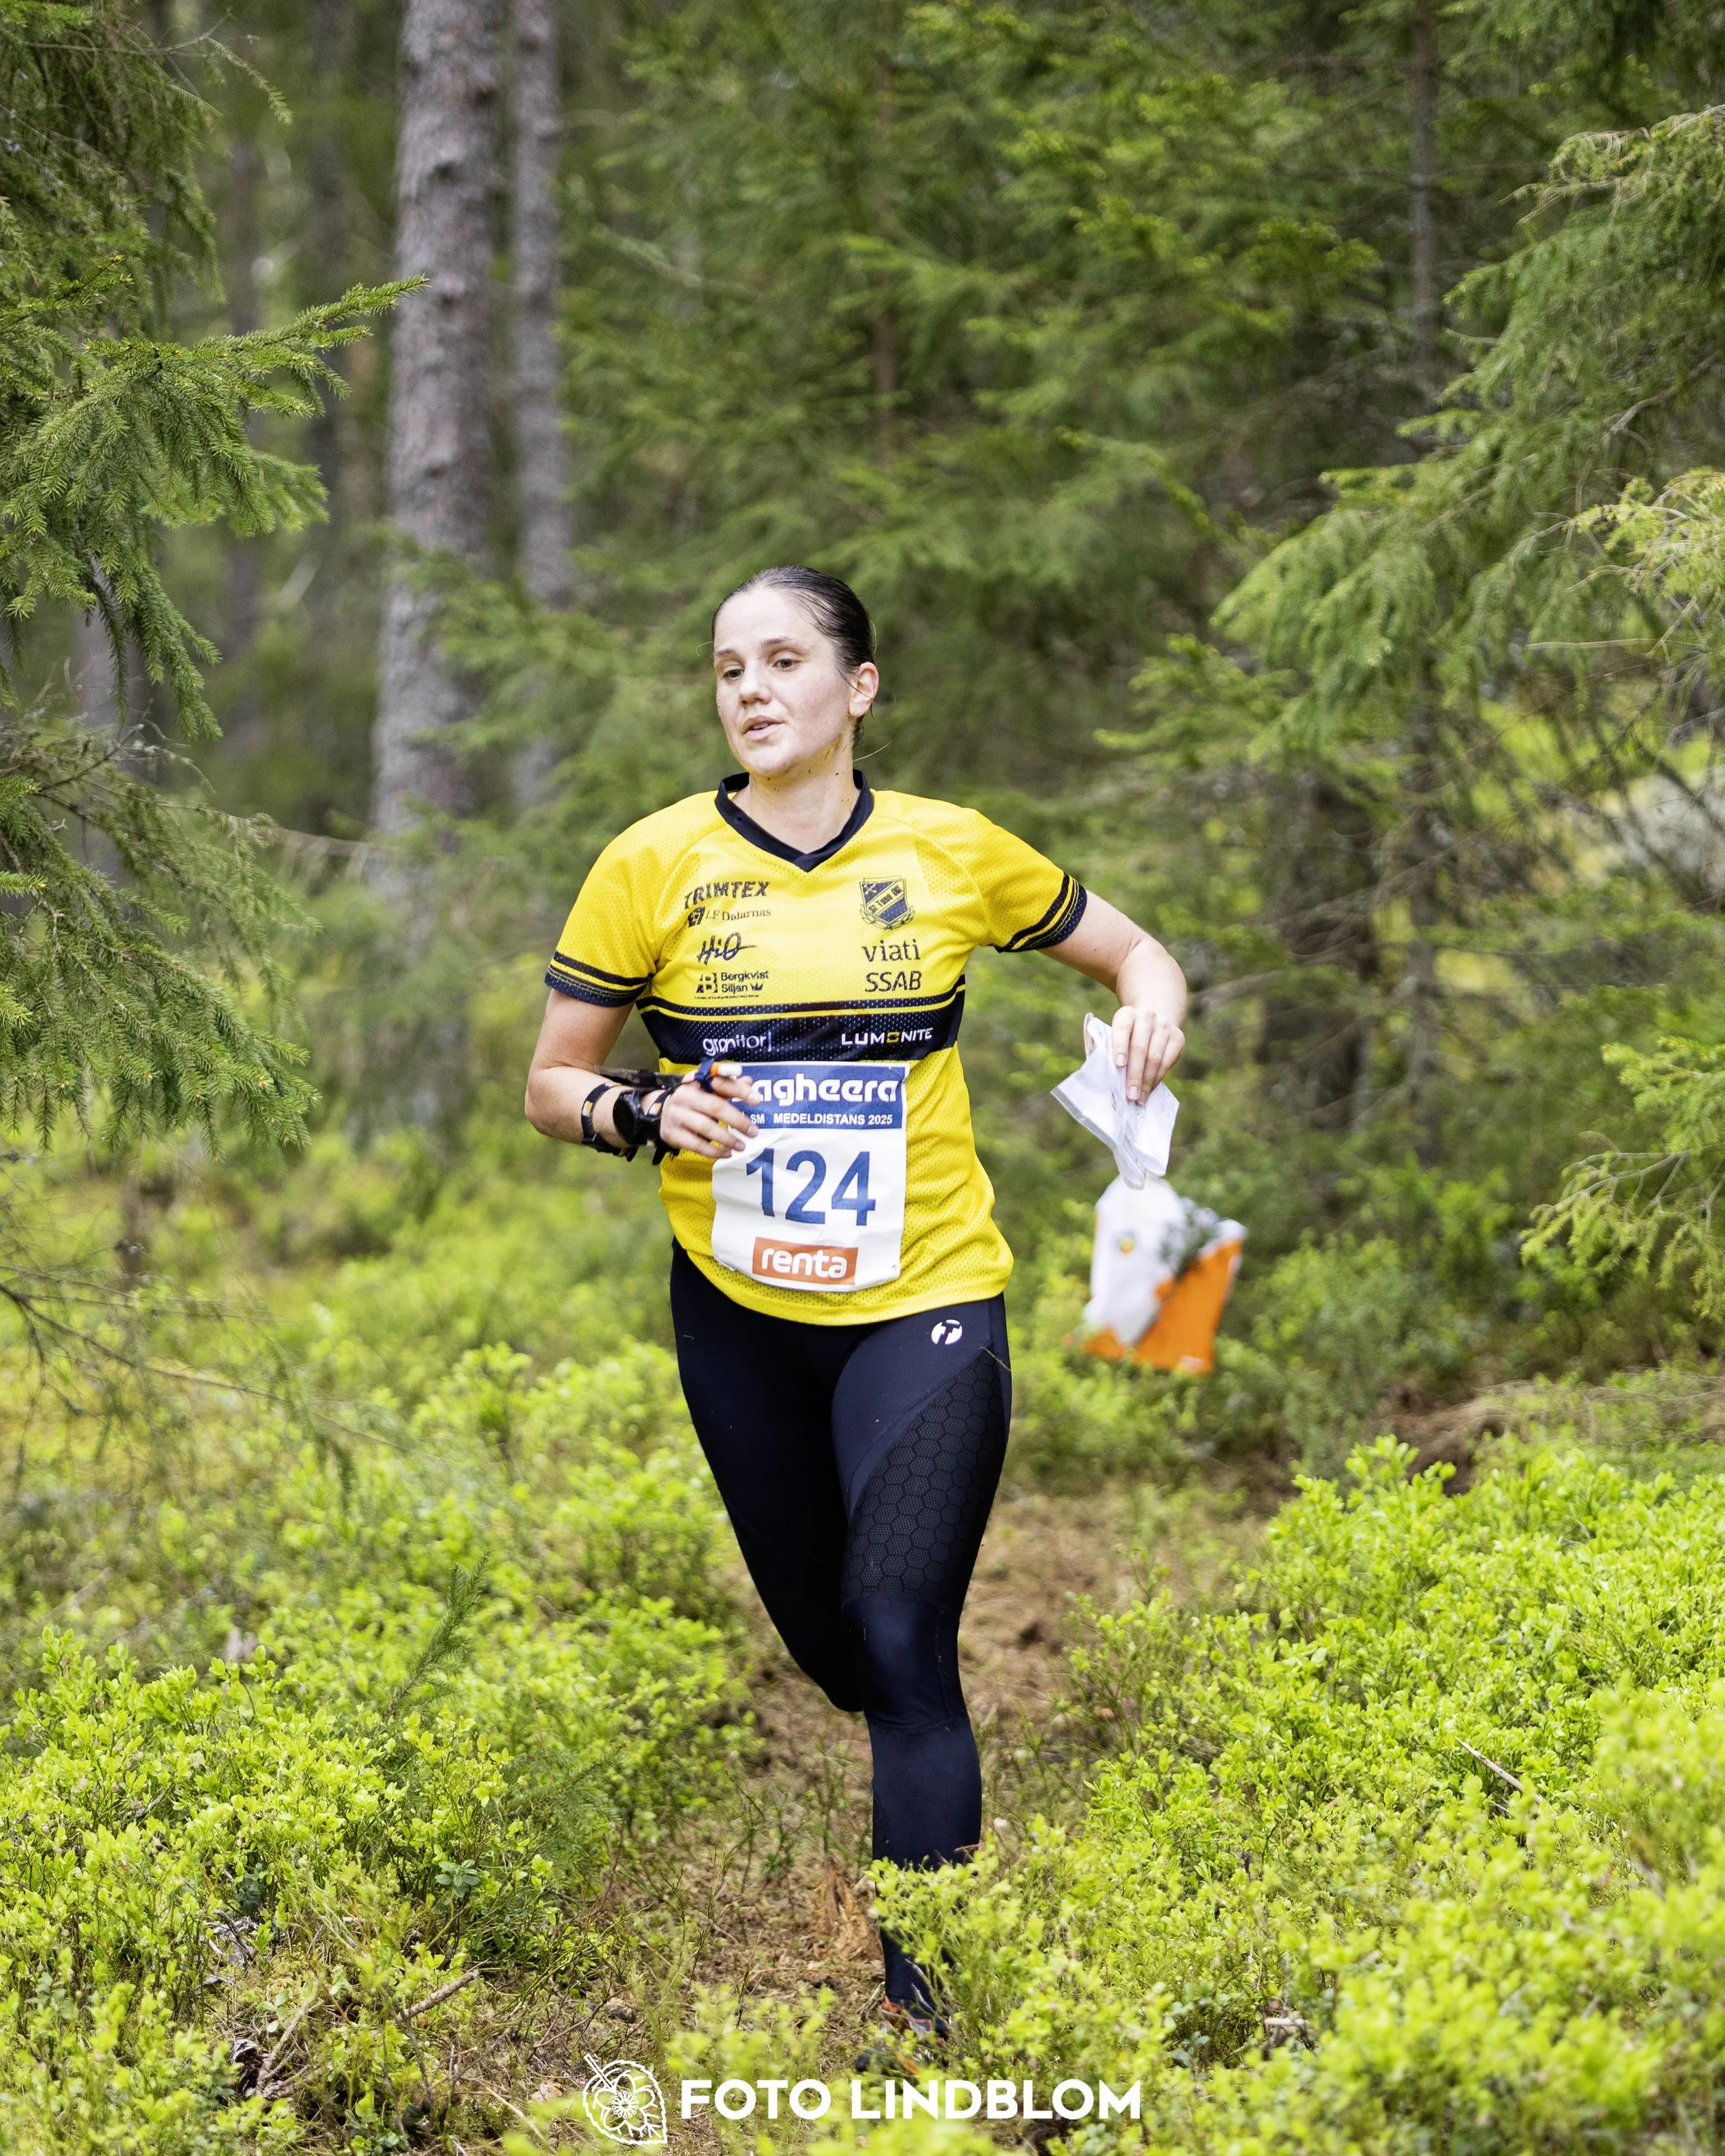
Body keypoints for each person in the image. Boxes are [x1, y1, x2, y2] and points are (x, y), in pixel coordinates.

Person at [524, 565, 1185, 2029]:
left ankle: (926, 2008)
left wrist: (1153, 1006)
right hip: (739, 1316)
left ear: (858, 686)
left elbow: (1134, 949)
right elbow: (551, 1081)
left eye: (782, 661)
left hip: (925, 1293)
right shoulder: (651, 863)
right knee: (836, 1653)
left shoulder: (951, 849)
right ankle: (902, 1797)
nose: (750, 690)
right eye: (726, 669)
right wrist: (644, 1111)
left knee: (898, 1634)